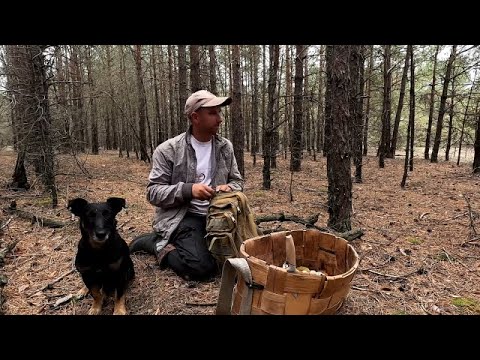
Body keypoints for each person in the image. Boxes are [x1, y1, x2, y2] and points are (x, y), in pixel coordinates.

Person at [129, 90, 244, 282]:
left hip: (220, 215)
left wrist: (229, 189)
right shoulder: (168, 150)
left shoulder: (225, 147)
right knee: (201, 268)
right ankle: (156, 244)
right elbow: (153, 192)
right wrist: (188, 190)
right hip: (183, 216)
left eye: (220, 112)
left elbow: (237, 182)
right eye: (213, 113)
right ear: (195, 117)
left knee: (248, 256)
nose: (220, 119)